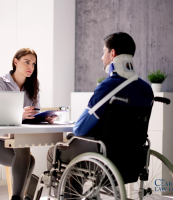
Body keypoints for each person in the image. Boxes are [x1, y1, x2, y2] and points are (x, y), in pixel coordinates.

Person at [47, 32, 154, 195]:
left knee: (54, 152)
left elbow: (79, 130)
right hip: (132, 159)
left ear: (112, 54)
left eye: (104, 52)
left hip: (103, 156)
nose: (101, 57)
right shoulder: (146, 90)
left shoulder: (108, 87)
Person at [0, 48, 56, 200]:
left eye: (33, 64)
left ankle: (17, 198)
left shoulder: (33, 85)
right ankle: (23, 198)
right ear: (16, 62)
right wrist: (18, 115)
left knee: (24, 148)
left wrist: (42, 117)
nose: (31, 67)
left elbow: (33, 113)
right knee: (29, 159)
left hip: (14, 140)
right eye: (27, 62)